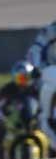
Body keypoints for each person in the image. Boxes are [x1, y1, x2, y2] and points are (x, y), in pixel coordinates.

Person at [0, 60, 39, 159]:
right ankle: (0, 157)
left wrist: (38, 117)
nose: (24, 82)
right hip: (10, 121)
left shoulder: (34, 89)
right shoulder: (8, 89)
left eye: (26, 78)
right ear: (15, 77)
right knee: (0, 136)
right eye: (21, 78)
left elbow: (42, 104)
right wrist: (6, 121)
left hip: (31, 120)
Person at [26, 20, 56, 151]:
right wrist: (37, 67)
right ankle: (47, 116)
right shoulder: (50, 30)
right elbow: (34, 50)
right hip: (49, 71)